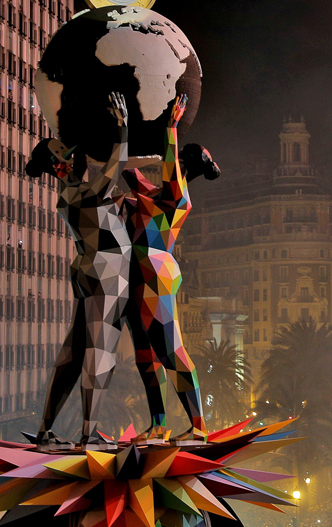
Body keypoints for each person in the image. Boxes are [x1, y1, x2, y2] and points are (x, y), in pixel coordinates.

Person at [29, 92, 131, 448]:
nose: (75, 157)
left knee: (73, 353)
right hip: (108, 272)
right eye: (69, 155)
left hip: (90, 271)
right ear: (62, 165)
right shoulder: (82, 194)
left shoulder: (69, 197)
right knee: (99, 352)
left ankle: (46, 431)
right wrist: (123, 130)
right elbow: (113, 168)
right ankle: (89, 434)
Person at [121, 95, 220, 444]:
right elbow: (126, 171)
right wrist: (124, 130)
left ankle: (198, 426)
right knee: (146, 356)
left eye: (176, 159)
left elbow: (166, 169)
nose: (171, 163)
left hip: (155, 273)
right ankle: (159, 424)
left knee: (170, 351)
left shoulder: (178, 198)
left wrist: (170, 128)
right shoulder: (155, 195)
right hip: (136, 274)